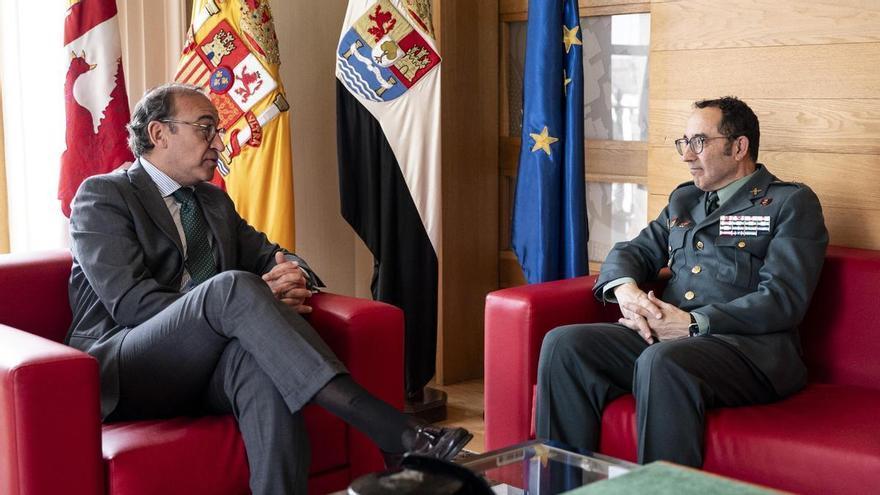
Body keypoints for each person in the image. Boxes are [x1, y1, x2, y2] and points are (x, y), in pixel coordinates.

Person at [65, 83, 470, 494]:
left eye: (218, 130)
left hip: (204, 367)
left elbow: (273, 254)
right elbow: (132, 305)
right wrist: (242, 301)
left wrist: (293, 275)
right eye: (205, 128)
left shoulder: (213, 203)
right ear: (159, 133)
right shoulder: (103, 196)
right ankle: (389, 429)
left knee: (259, 362)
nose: (218, 143)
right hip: (129, 366)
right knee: (233, 289)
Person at [535, 96, 828, 467]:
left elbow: (783, 299)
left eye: (699, 142)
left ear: (739, 147)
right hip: (671, 338)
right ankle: (562, 482)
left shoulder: (789, 203)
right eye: (684, 142)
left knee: (663, 360)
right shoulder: (684, 199)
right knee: (564, 344)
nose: (687, 155)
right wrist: (627, 292)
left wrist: (693, 323)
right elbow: (633, 251)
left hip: (747, 351)